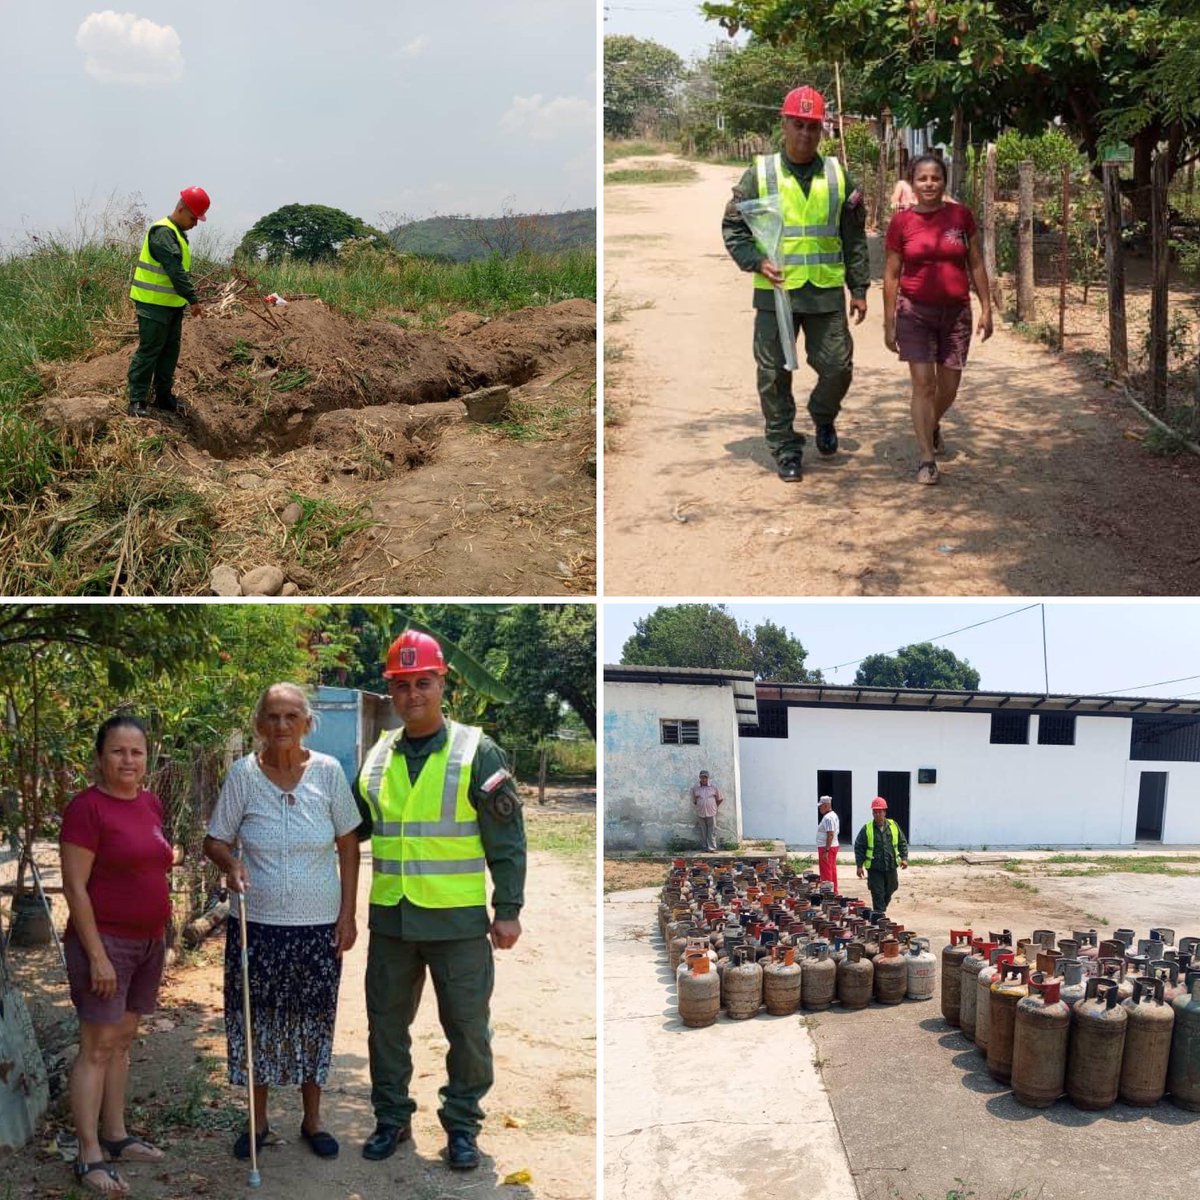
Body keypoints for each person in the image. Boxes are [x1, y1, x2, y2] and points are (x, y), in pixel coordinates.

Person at [356, 630, 526, 1172]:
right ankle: (391, 1119)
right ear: (392, 692)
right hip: (392, 921)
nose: (412, 695)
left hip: (456, 924)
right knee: (385, 1027)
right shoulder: (378, 757)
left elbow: (507, 839)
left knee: (468, 1031)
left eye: (422, 683)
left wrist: (508, 910)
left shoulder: (477, 751)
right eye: (401, 686)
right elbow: (355, 827)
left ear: (442, 682)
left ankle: (461, 1126)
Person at [203, 683, 361, 1162]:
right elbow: (215, 839)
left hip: (317, 926)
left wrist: (348, 914)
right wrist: (230, 865)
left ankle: (312, 1120)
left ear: (307, 722)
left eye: (291, 716)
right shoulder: (244, 777)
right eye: (272, 717)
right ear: (259, 724)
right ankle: (258, 1121)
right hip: (259, 925)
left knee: (314, 1018)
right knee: (259, 1022)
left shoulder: (329, 773)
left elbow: (349, 846)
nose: (281, 726)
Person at [723, 85, 870, 481]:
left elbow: (854, 237)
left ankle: (822, 416)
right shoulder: (761, 173)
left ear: (822, 130)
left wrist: (859, 288)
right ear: (783, 124)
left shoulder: (839, 176)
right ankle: (786, 448)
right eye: (797, 125)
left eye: (813, 126)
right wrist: (756, 261)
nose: (805, 134)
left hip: (824, 292)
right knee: (773, 374)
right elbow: (733, 228)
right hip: (776, 294)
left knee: (838, 368)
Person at [60, 715, 173, 1195]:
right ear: (100, 757)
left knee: (123, 1040)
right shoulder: (87, 809)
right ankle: (88, 1154)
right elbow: (75, 887)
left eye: (137, 752)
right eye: (118, 751)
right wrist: (97, 955)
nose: (128, 760)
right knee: (97, 1046)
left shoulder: (149, 802)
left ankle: (116, 1133)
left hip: (149, 940)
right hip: (105, 943)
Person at [882, 154, 993, 485]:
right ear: (912, 183)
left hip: (956, 313)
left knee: (949, 387)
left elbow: (975, 262)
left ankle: (930, 423)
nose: (929, 183)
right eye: (922, 178)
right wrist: (889, 320)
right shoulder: (901, 223)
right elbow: (891, 274)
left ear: (944, 181)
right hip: (914, 311)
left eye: (935, 178)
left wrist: (987, 306)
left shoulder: (960, 216)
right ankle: (926, 457)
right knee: (923, 384)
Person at [126, 187, 210, 418]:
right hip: (153, 304)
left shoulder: (177, 233)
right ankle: (137, 400)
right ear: (181, 209)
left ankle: (163, 396)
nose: (195, 224)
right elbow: (174, 271)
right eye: (193, 218)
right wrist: (193, 299)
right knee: (150, 350)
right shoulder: (163, 232)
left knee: (169, 352)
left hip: (171, 306)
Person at [854, 797, 909, 914]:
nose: (877, 815)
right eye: (875, 812)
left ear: (885, 812)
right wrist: (859, 866)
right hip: (875, 867)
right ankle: (879, 918)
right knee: (877, 892)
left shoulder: (893, 825)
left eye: (880, 812)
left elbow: (902, 842)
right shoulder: (867, 828)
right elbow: (859, 846)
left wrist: (904, 858)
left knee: (893, 887)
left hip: (891, 865)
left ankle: (880, 910)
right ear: (872, 813)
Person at [691, 770, 723, 853]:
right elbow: (694, 800)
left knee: (712, 830)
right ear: (700, 778)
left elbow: (720, 799)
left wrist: (714, 806)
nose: (704, 779)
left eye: (705, 777)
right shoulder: (695, 788)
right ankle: (704, 848)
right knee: (703, 830)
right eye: (702, 777)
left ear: (708, 778)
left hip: (711, 812)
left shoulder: (713, 787)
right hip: (700, 812)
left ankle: (711, 848)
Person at [816, 795, 840, 891]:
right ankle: (834, 891)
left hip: (826, 848)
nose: (819, 808)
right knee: (832, 870)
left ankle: (828, 893)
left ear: (826, 805)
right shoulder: (833, 815)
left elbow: (830, 834)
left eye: (821, 806)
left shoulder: (828, 818)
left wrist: (826, 850)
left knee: (826, 872)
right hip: (832, 846)